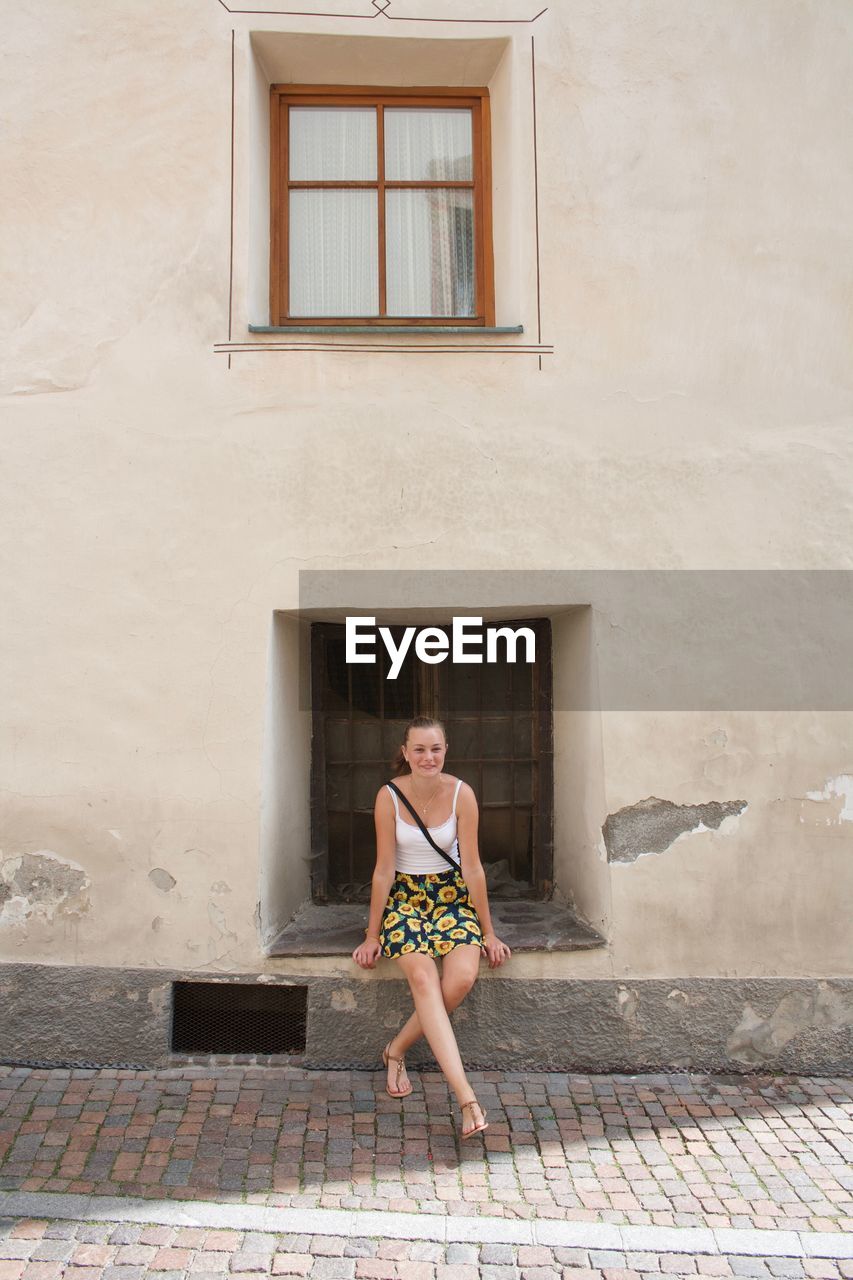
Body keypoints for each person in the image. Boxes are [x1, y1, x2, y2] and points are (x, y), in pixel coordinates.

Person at [351, 715, 511, 1139]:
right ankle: (466, 1099)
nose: (428, 757)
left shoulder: (462, 794)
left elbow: (473, 868)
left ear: (446, 750)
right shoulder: (388, 796)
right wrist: (372, 935)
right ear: (404, 753)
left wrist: (488, 931)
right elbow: (384, 869)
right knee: (424, 977)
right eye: (418, 749)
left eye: (435, 749)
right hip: (404, 900)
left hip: (451, 897)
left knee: (460, 979)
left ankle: (396, 1048)